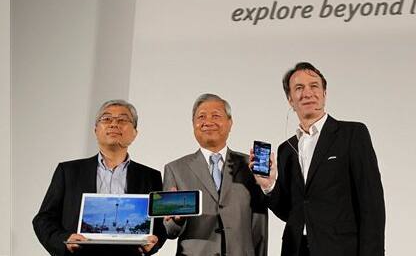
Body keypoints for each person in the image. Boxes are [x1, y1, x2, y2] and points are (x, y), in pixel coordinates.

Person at [251, 62, 385, 256]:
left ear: (324, 93)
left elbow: (371, 205)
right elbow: (290, 212)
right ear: (290, 99)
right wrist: (269, 185)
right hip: (296, 249)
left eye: (314, 86)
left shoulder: (352, 134)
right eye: (299, 88)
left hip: (341, 249)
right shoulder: (286, 149)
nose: (307, 93)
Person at [33, 99, 166, 256]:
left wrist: (154, 243)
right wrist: (65, 240)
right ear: (96, 129)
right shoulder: (68, 172)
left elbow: (160, 225)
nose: (114, 124)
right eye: (106, 119)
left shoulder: (151, 176)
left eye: (122, 119)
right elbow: (43, 219)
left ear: (135, 133)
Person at [163, 93, 268, 256]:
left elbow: (259, 224)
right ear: (193, 124)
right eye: (201, 116)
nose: (208, 122)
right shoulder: (175, 169)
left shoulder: (252, 165)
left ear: (230, 122)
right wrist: (177, 220)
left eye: (216, 115)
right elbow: (169, 230)